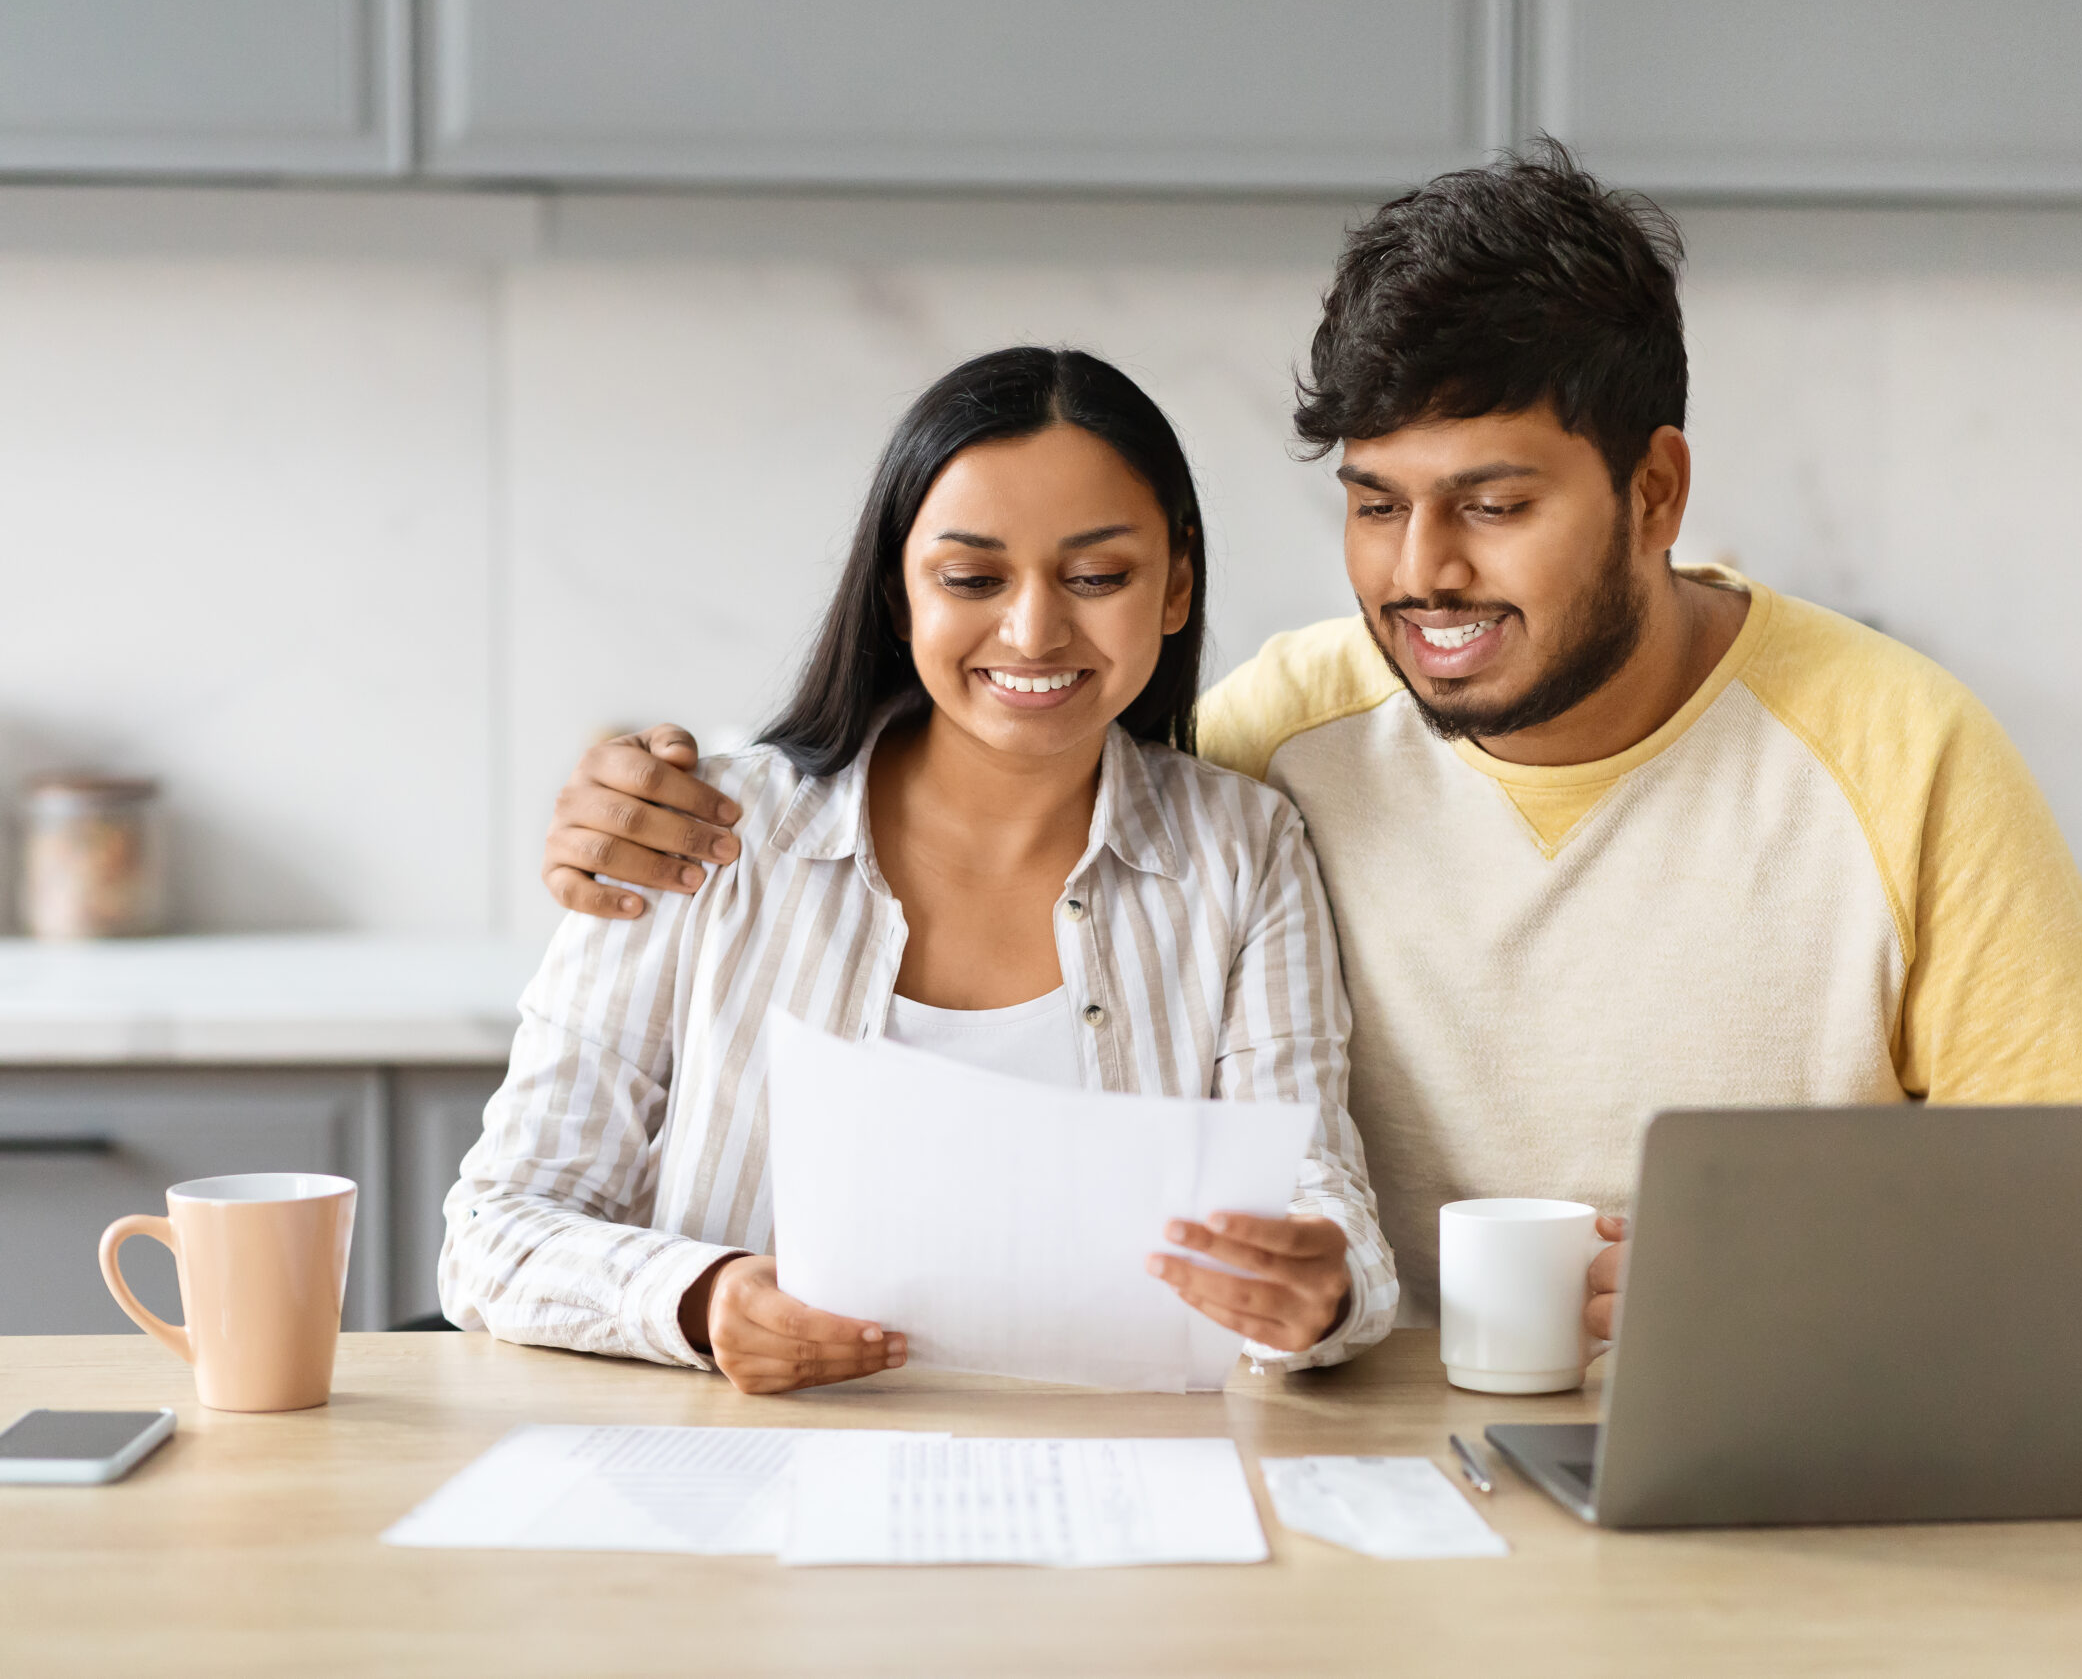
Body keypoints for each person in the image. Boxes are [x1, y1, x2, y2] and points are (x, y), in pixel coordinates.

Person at [535, 145, 2082, 1354]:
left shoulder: (1899, 747)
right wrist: (637, 808)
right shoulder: (1275, 750)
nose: (1420, 572)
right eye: (1376, 503)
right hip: (1387, 1456)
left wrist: (1753, 1279)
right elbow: (1021, 756)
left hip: (1773, 1433)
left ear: (1655, 493)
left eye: (1494, 504)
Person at [442, 347, 1396, 1394]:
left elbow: (1317, 1194)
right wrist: (703, 1300)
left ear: (1175, 584)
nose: (1033, 630)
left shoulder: (1245, 849)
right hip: (749, 1492)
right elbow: (491, 1231)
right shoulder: (700, 830)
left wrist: (1324, 1290)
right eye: (972, 578)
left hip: (1122, 1490)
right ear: (900, 593)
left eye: (1095, 576)